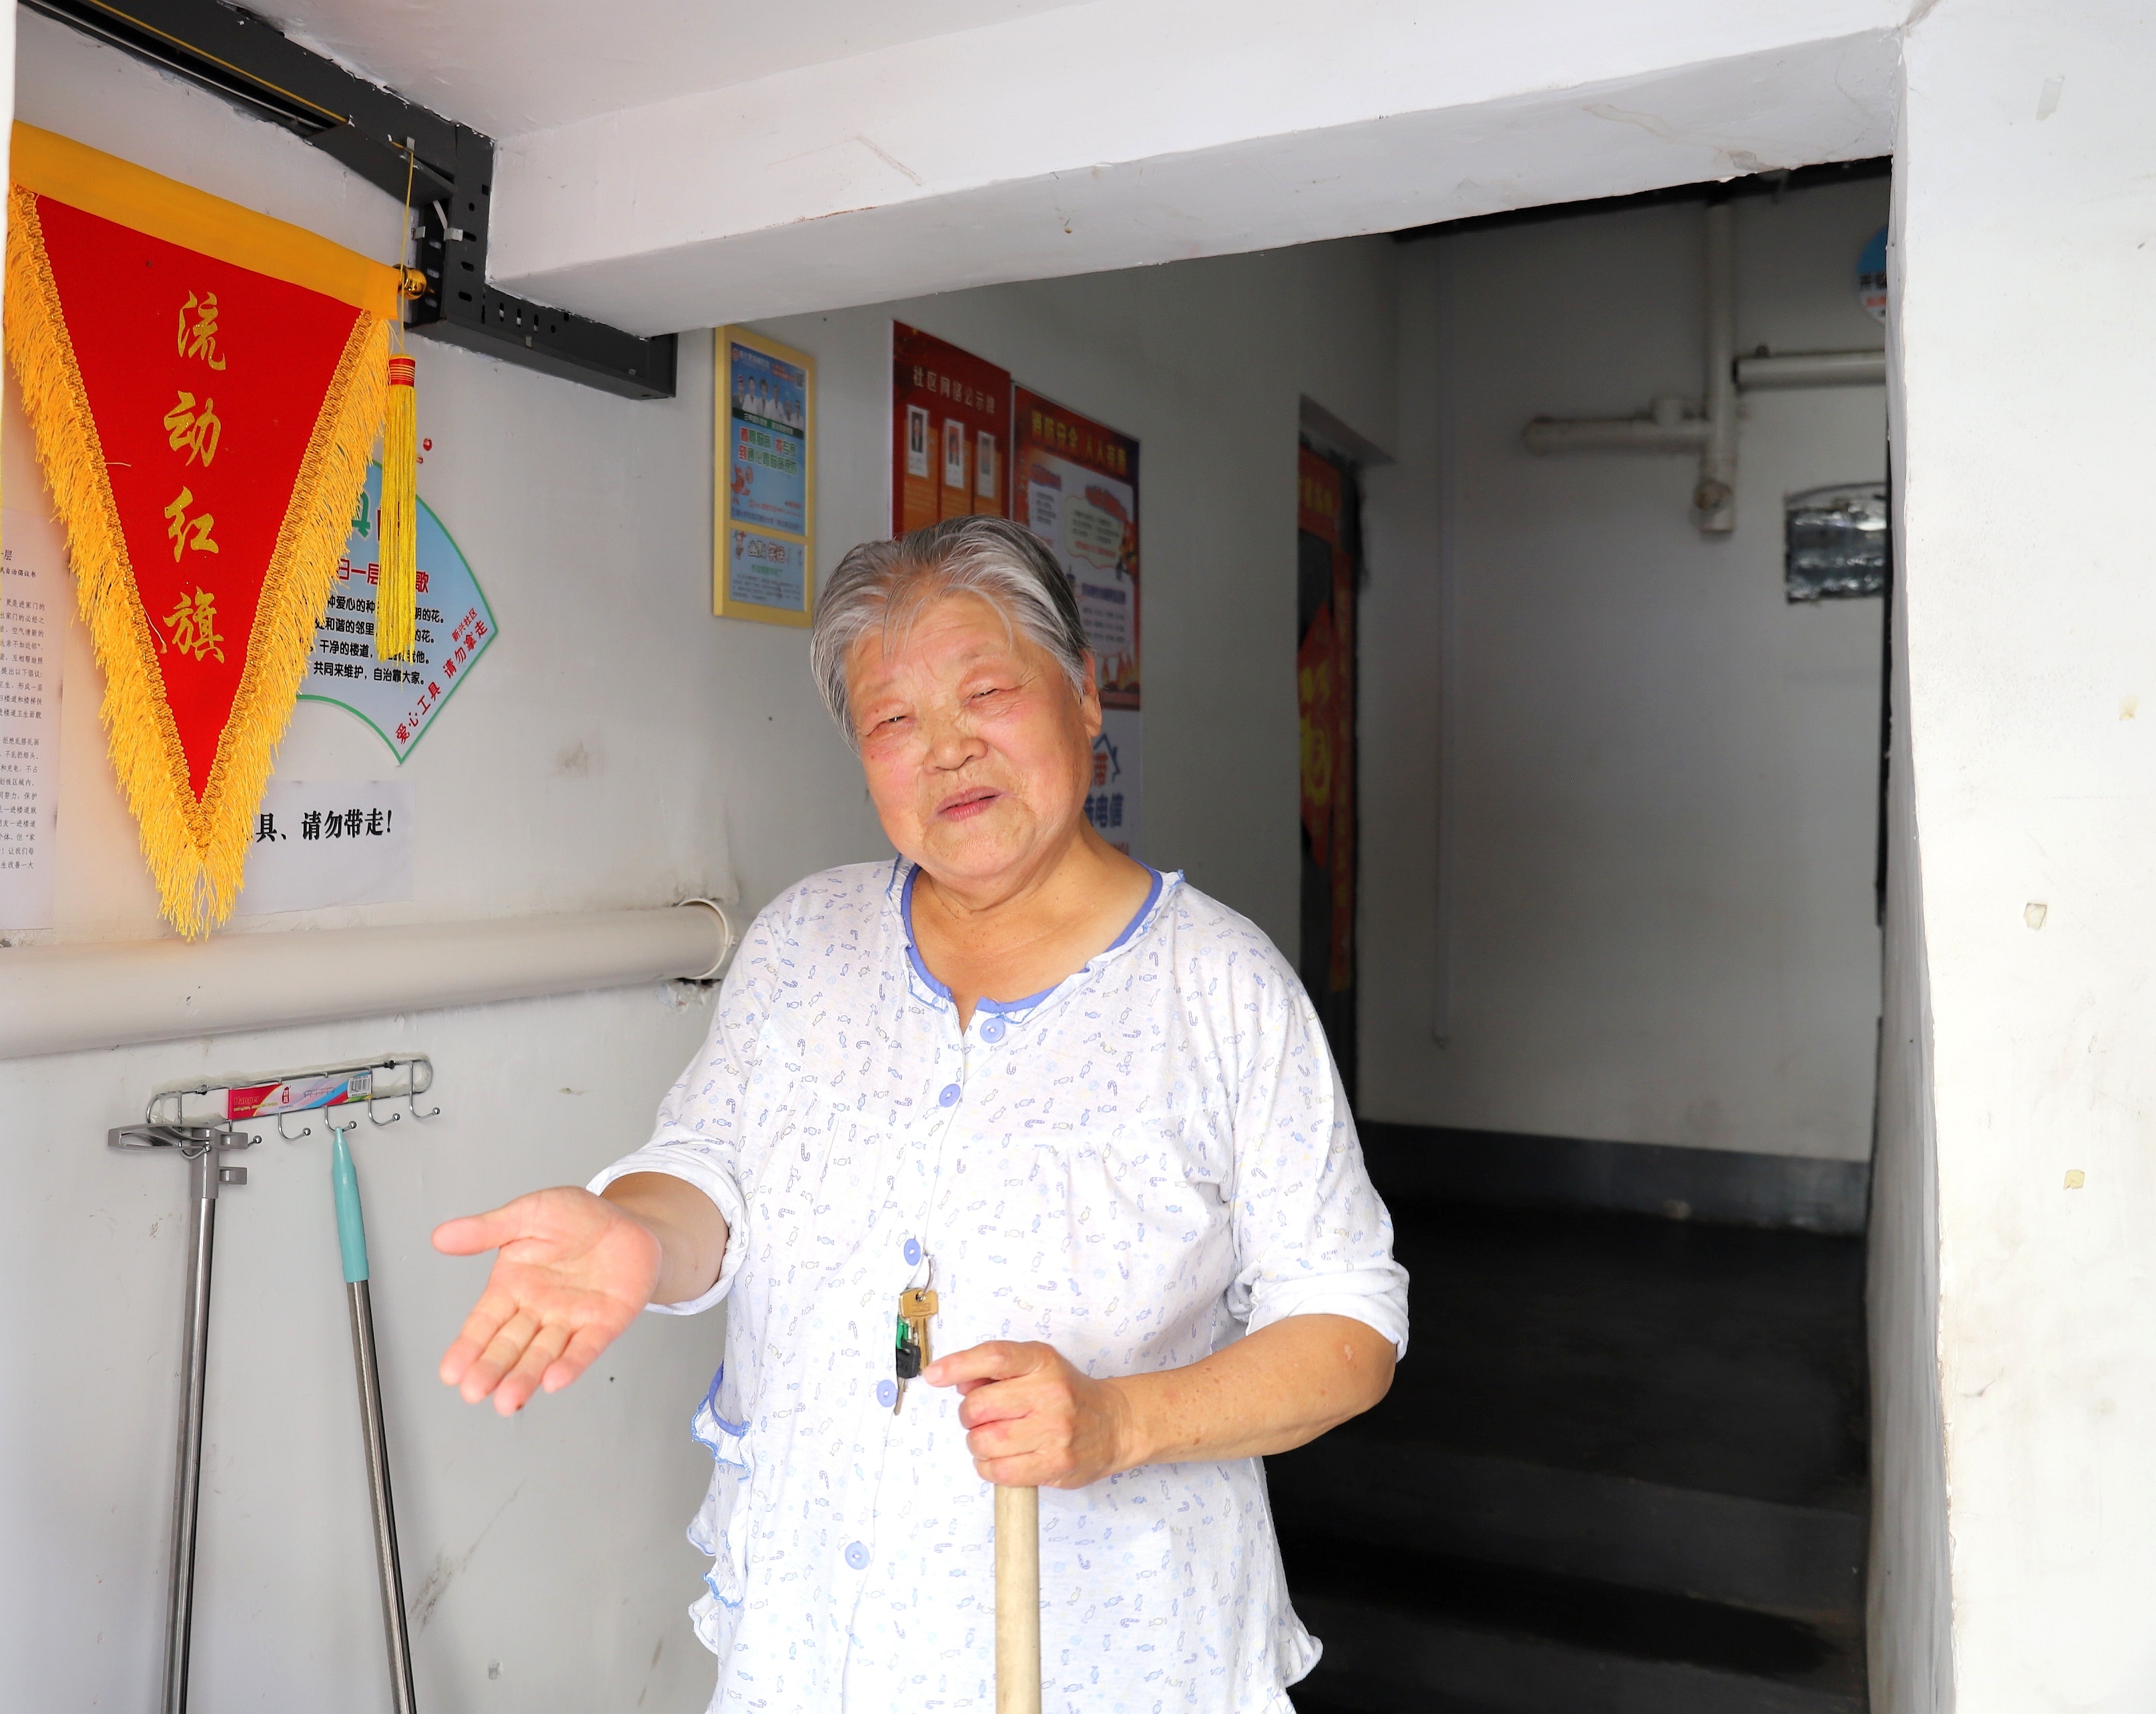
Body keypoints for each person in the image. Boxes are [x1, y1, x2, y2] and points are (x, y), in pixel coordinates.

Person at [432, 516, 1409, 1712]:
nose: (948, 750)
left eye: (987, 693)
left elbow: (1348, 1324)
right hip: (816, 1640)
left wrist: (1117, 1423)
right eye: (894, 721)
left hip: (1108, 1649)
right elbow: (708, 1170)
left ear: (1084, 695)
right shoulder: (807, 941)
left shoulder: (1217, 986)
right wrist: (634, 1225)